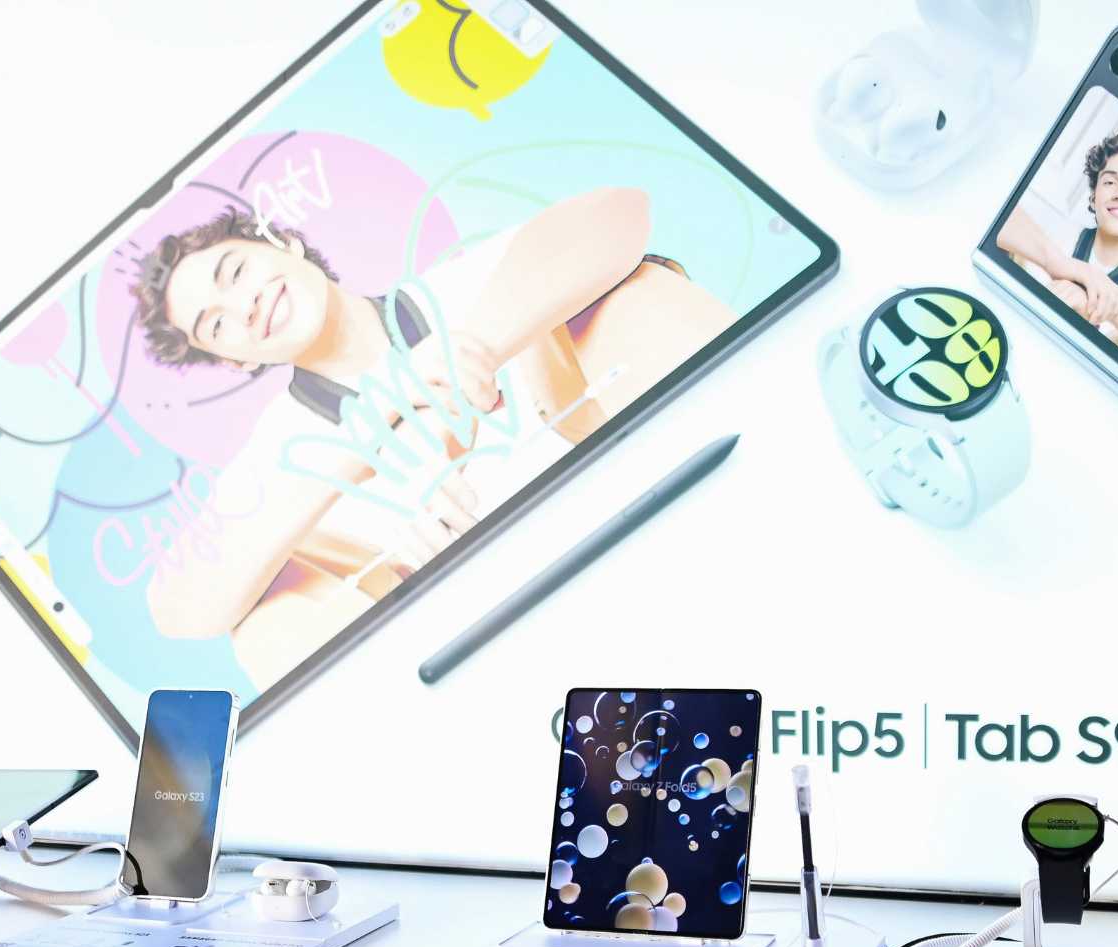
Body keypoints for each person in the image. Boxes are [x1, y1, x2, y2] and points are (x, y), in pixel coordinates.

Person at [130, 187, 730, 679]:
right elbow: (179, 609)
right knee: (261, 619)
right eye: (217, 325)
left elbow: (620, 212)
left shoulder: (463, 286)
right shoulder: (278, 454)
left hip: (637, 496)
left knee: (632, 295)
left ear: (282, 243)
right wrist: (368, 432)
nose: (244, 307)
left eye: (236, 272)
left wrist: (465, 365)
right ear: (233, 360)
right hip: (480, 638)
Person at [996, 126, 1118, 359]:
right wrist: (1061, 264)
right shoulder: (1043, 229)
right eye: (1109, 182)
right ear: (1093, 197)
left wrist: (1101, 303)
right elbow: (994, 212)